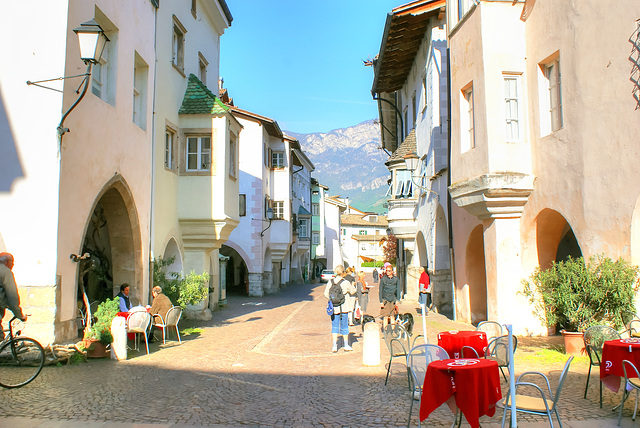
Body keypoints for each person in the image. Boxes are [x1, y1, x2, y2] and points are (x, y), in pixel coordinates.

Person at [324, 265, 356, 352]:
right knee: (344, 326)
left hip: (334, 308)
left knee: (334, 326)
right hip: (344, 307)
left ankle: (334, 346)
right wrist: (353, 286)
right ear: (342, 273)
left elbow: (326, 294)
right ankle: (346, 345)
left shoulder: (330, 282)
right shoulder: (345, 282)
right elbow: (353, 291)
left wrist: (333, 298)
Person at [0, 253, 26, 339]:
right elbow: (12, 294)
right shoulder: (5, 272)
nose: (13, 264)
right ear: (8, 262)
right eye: (13, 262)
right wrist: (19, 314)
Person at [379, 262, 401, 329]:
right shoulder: (383, 279)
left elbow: (398, 290)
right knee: (385, 316)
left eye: (389, 271)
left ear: (392, 271)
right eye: (387, 270)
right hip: (385, 299)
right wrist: (381, 301)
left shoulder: (396, 279)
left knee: (392, 316)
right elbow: (380, 290)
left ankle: (392, 330)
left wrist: (398, 299)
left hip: (392, 299)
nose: (388, 272)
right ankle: (386, 330)